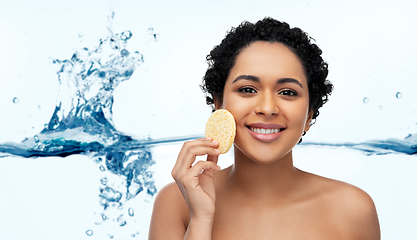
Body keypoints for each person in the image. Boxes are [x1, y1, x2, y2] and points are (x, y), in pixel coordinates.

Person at [149, 17, 380, 239]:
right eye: (248, 89)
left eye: (287, 92)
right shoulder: (177, 202)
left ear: (310, 114)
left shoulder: (354, 210)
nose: (267, 108)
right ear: (219, 103)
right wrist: (201, 219)